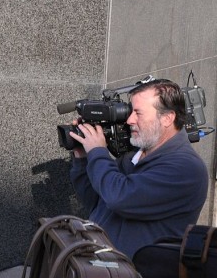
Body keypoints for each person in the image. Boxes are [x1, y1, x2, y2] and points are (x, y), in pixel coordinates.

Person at [69, 78, 209, 257]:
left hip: (134, 272)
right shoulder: (135, 156)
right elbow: (96, 201)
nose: (129, 120)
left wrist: (97, 151)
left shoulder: (187, 169)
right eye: (130, 111)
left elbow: (119, 198)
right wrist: (83, 158)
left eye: (138, 113)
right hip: (93, 263)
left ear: (167, 118)